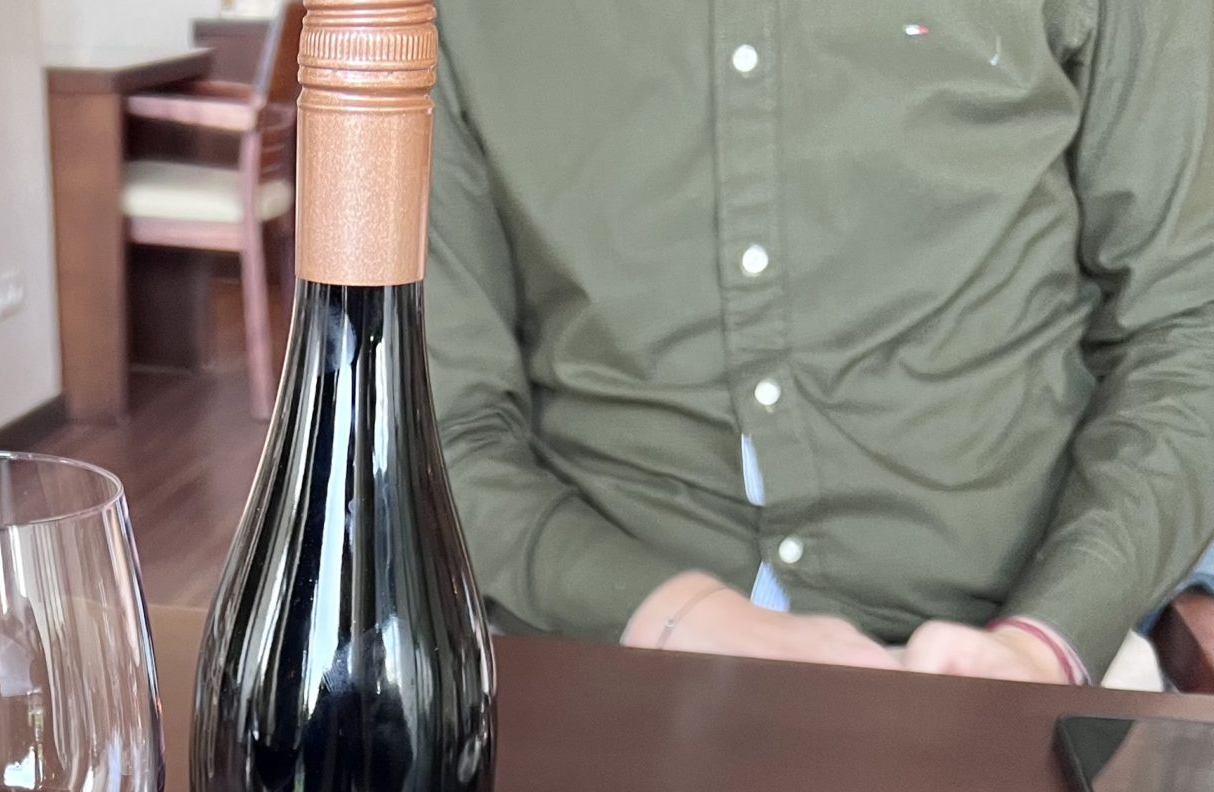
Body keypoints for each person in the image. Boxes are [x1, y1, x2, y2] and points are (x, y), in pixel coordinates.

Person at [424, 3, 1214, 684]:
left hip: (1020, 660)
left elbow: (1186, 328)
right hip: (593, 658)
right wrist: (668, 613)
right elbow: (431, 419)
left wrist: (1046, 640)